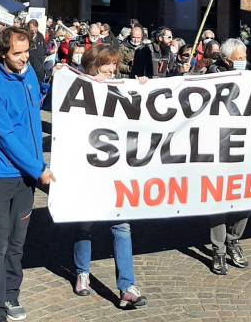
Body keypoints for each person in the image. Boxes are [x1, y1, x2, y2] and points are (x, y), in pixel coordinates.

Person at [0, 27, 53, 322]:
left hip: (27, 177)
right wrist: (39, 169)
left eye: (26, 52)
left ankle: (12, 294)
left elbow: (36, 106)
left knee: (17, 243)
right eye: (17, 53)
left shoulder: (30, 76)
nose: (24, 58)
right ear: (2, 53)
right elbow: (7, 137)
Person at [70, 45, 147, 308]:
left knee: (122, 227)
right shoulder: (79, 86)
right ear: (93, 65)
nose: (112, 70)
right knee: (85, 225)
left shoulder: (121, 87)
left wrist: (142, 89)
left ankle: (127, 285)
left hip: (117, 171)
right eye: (107, 65)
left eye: (114, 65)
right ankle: (82, 272)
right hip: (89, 171)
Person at [207, 38, 251, 275]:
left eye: (245, 57)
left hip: (245, 147)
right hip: (220, 147)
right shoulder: (212, 75)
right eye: (239, 58)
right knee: (219, 199)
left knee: (246, 197)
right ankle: (218, 248)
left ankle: (234, 239)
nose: (243, 62)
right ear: (226, 60)